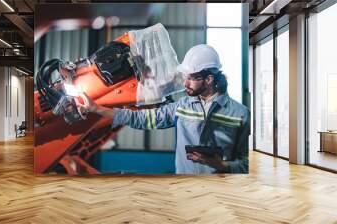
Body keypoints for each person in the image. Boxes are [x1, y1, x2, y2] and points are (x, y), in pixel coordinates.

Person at [77, 44, 250, 174]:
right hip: (185, 191)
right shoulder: (182, 107)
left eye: (191, 78)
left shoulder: (240, 114)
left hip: (222, 194)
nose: (185, 83)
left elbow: (246, 164)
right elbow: (139, 118)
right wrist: (96, 108)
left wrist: (222, 166)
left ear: (209, 79)